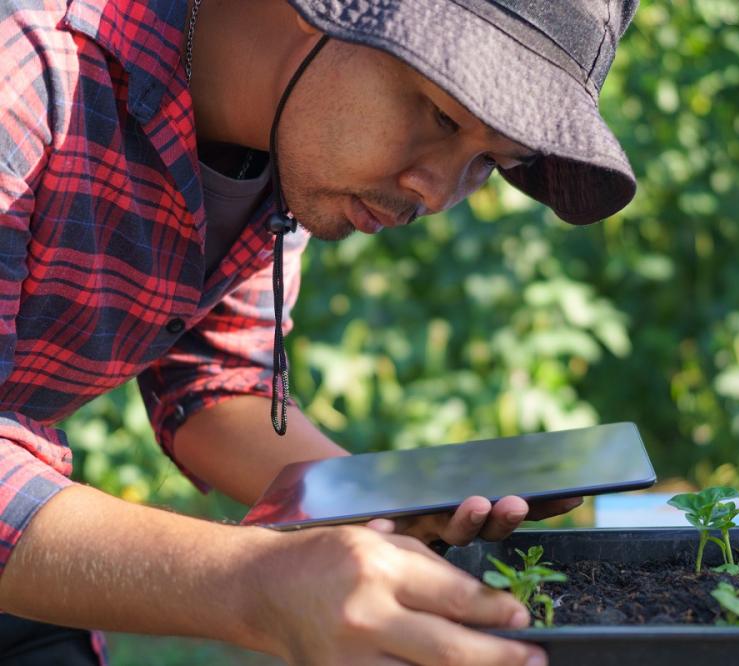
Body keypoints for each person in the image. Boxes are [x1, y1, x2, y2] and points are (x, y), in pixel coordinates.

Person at [0, 0, 638, 663]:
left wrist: (380, 500)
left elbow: (214, 386)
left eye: (490, 162)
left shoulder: (282, 141)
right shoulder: (24, 70)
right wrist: (255, 584)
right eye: (442, 115)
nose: (437, 192)